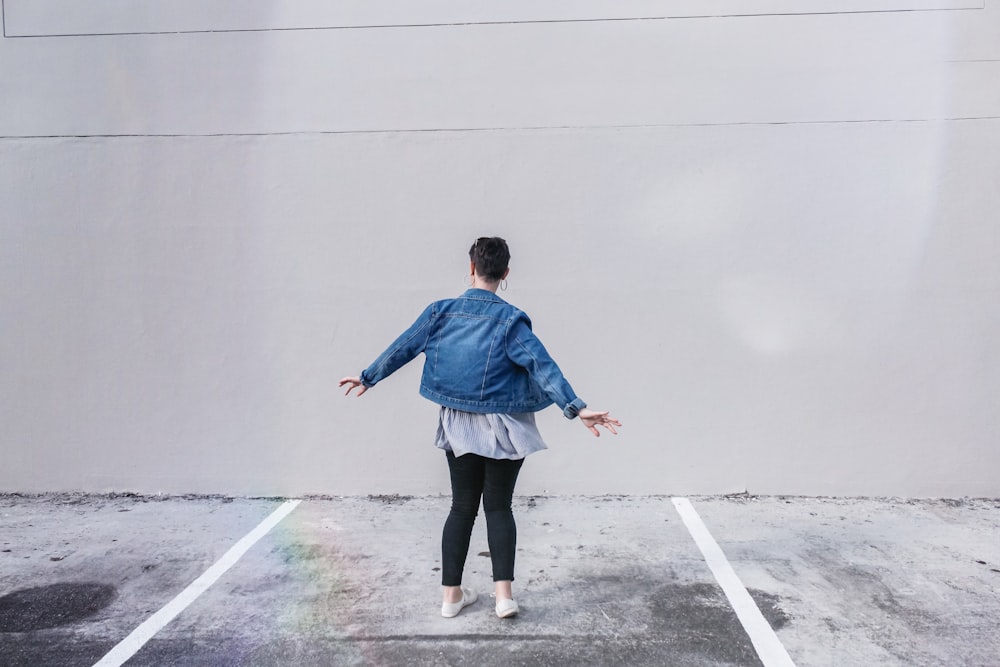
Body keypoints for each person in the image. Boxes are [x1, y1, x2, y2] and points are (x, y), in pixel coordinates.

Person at [339, 236, 620, 619]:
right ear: (505, 273)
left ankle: (451, 597)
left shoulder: (440, 312)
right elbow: (543, 365)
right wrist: (576, 407)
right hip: (505, 425)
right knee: (499, 508)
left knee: (461, 508)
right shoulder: (511, 320)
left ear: (471, 267)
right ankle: (503, 597)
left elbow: (403, 347)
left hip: (458, 424)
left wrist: (367, 377)